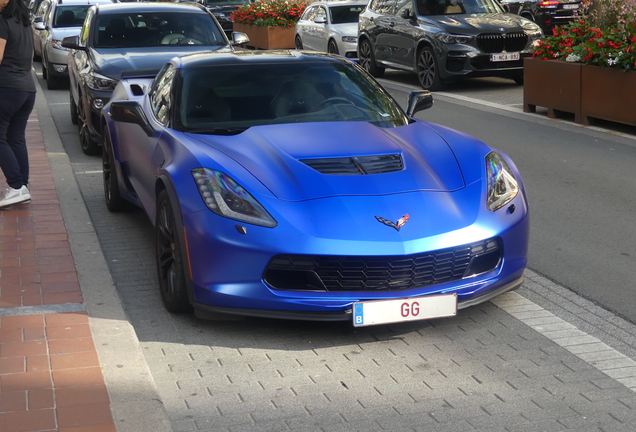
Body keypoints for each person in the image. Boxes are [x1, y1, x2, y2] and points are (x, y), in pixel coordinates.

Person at [0, 0, 36, 208]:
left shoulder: (3, 21)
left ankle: (16, 187)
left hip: (7, 88)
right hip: (26, 89)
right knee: (15, 137)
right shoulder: (23, 22)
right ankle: (22, 185)